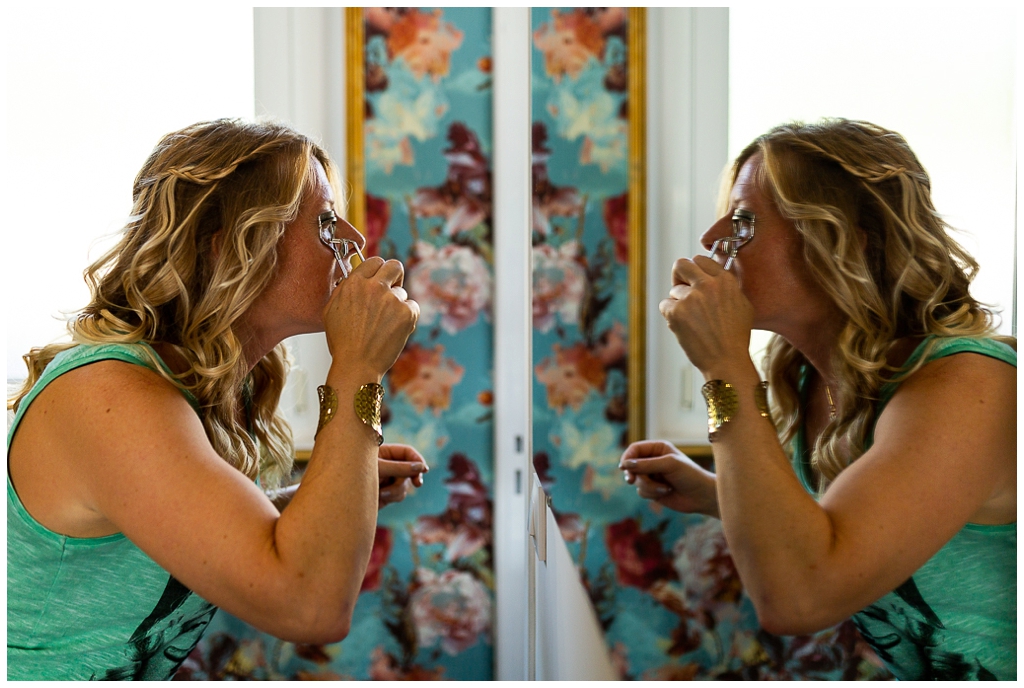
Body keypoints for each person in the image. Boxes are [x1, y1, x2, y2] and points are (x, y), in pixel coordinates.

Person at [7, 119, 428, 680]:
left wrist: (324, 491)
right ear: (232, 246)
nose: (353, 239)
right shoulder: (109, 395)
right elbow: (310, 606)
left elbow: (191, 530)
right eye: (325, 221)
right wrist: (356, 369)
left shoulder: (207, 383)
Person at [620, 119, 1015, 680]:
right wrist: (716, 495)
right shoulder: (805, 379)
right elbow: (847, 528)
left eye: (744, 220)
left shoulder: (970, 385)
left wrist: (724, 368)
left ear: (846, 239)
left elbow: (799, 599)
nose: (712, 240)